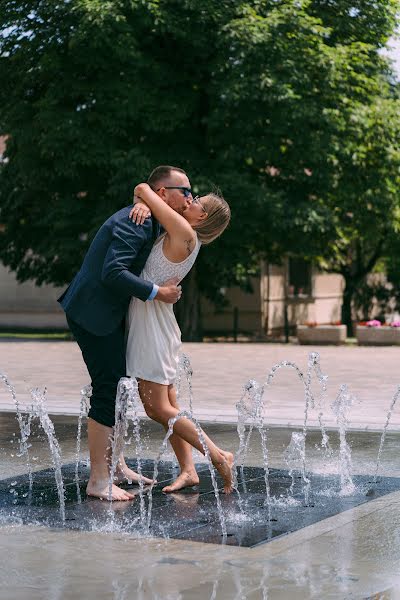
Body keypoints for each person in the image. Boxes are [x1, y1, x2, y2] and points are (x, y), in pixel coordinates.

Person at [58, 166, 192, 500]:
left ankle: (115, 466)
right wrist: (157, 292)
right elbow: (113, 272)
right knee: (108, 389)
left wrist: (141, 198)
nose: (189, 197)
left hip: (108, 314)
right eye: (185, 191)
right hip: (94, 314)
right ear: (162, 193)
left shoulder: (151, 218)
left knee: (119, 388)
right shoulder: (140, 220)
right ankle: (99, 481)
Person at [127, 182, 234, 493]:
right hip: (157, 318)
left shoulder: (186, 233)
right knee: (168, 403)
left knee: (157, 407)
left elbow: (143, 187)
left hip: (152, 323)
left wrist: (145, 200)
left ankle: (218, 456)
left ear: (203, 217)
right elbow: (147, 198)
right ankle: (189, 469)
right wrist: (146, 205)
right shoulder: (186, 233)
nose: (191, 199)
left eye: (198, 200)